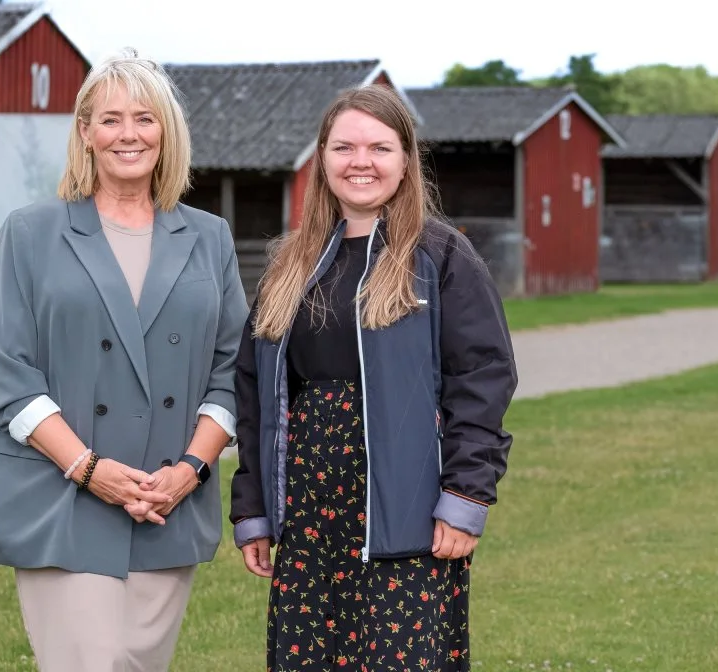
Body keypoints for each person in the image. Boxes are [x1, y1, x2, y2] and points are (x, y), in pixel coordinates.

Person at [0, 48, 248, 672]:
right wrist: (88, 469)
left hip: (166, 503)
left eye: (146, 119)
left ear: (167, 133)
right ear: (86, 134)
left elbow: (231, 373)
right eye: (111, 119)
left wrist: (190, 471)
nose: (129, 134)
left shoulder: (209, 237)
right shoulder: (30, 232)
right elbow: (12, 378)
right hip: (60, 498)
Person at [229, 84, 518, 671]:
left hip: (406, 516)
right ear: (323, 158)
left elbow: (482, 379)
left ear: (406, 159)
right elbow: (256, 395)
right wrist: (253, 508)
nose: (361, 162)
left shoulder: (440, 256)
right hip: (311, 515)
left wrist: (464, 497)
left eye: (379, 148)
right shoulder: (290, 263)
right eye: (345, 147)